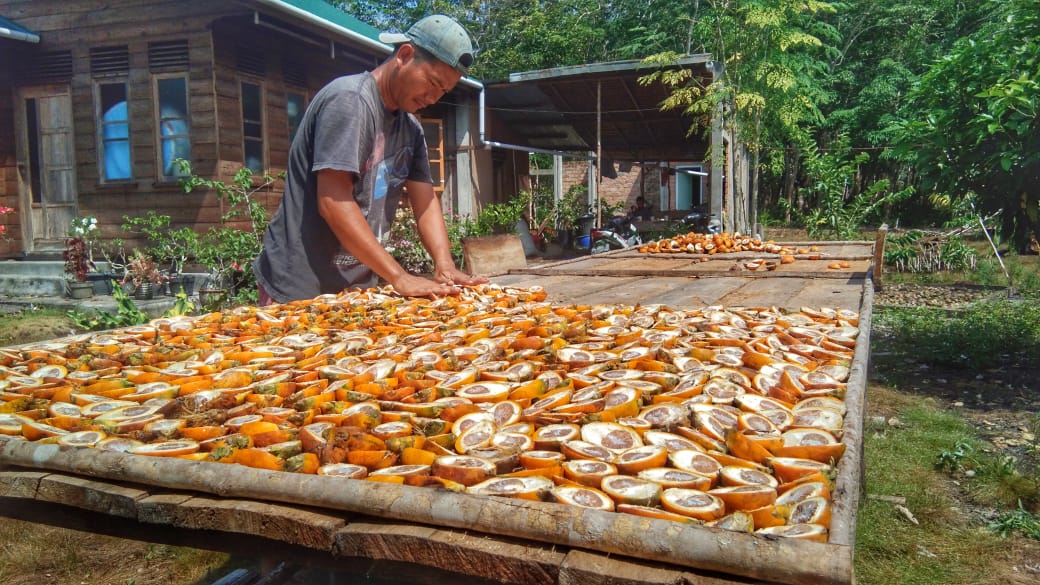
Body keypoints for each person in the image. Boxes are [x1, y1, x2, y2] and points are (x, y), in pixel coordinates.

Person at [253, 14, 488, 305]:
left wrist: (445, 265)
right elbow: (333, 202)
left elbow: (425, 202)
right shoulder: (350, 101)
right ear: (404, 55)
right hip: (300, 288)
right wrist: (399, 277)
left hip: (354, 288)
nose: (434, 97)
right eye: (433, 82)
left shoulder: (410, 129)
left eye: (443, 91)